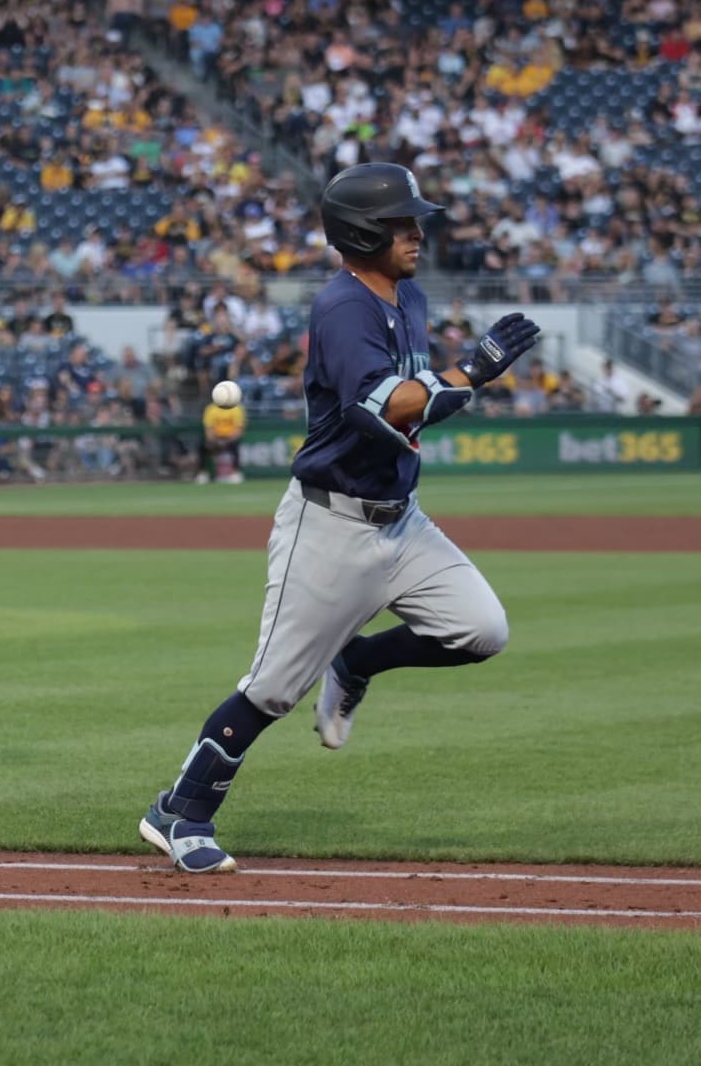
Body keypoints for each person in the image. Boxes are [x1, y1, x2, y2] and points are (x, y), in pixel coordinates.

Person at [138, 163, 541, 873]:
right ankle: (180, 812)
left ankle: (357, 660)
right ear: (362, 232)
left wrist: (458, 378)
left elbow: (417, 398)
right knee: (270, 689)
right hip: (330, 523)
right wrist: (471, 371)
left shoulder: (406, 297)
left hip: (401, 519)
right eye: (402, 222)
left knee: (482, 630)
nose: (418, 231)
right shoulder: (342, 308)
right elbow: (389, 406)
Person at [196, 394, 246, 483]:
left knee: (234, 447)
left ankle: (235, 473)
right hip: (216, 438)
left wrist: (226, 441)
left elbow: (238, 431)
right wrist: (215, 441)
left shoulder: (236, 409)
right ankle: (202, 473)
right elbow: (209, 430)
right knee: (203, 447)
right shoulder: (211, 409)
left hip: (230, 438)